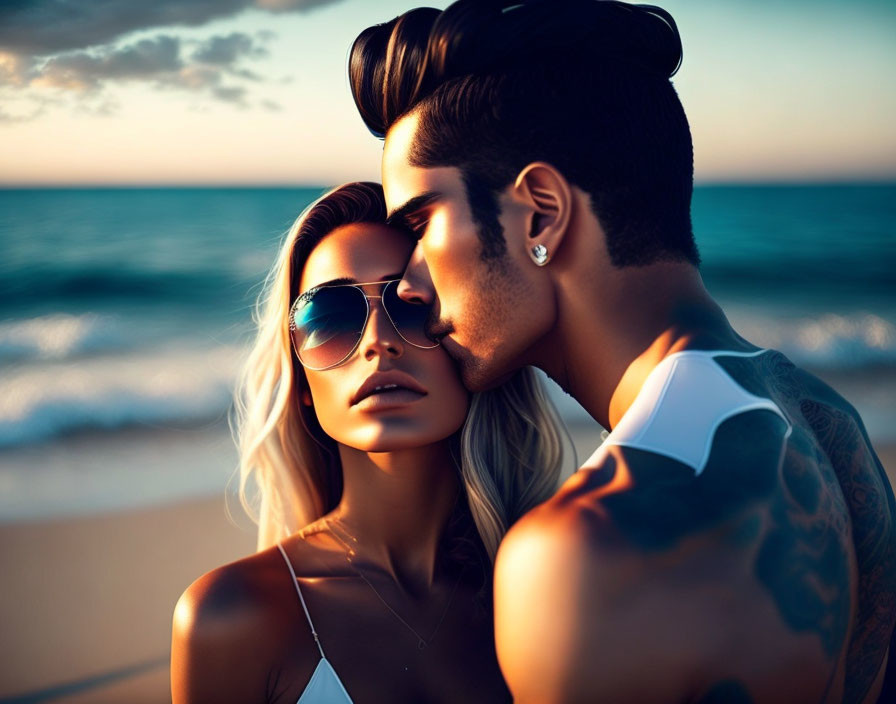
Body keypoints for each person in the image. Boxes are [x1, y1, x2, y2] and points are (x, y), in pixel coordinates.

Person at [348, 2, 896, 702]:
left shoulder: (582, 550)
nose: (410, 285)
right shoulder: (830, 426)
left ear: (540, 212)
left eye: (422, 223)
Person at [170, 182, 566, 703]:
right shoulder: (234, 615)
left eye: (412, 304)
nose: (378, 341)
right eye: (329, 317)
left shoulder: (553, 588)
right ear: (301, 378)